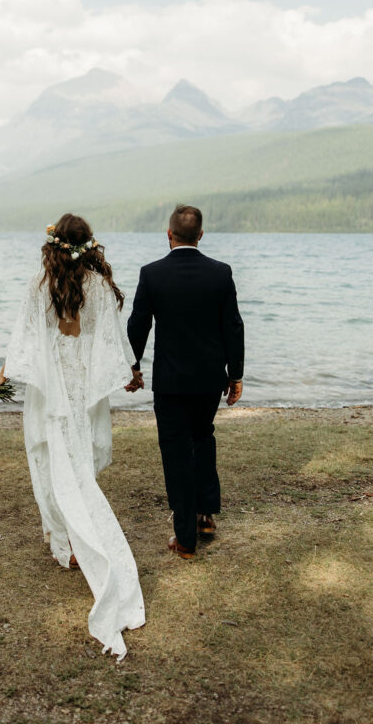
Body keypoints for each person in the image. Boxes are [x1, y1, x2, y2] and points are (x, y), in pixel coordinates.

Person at [0, 213, 145, 659]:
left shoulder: (40, 286)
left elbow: (24, 346)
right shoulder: (98, 287)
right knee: (81, 465)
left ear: (54, 244)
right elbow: (112, 342)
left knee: (50, 460)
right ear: (88, 245)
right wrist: (129, 373)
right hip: (83, 390)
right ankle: (75, 540)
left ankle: (70, 544)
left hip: (52, 391)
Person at [126, 204, 244, 559]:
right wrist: (235, 374)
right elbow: (233, 327)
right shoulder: (220, 273)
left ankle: (186, 539)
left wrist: (131, 367)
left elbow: (138, 325)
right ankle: (205, 515)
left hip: (171, 382)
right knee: (203, 438)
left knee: (177, 453)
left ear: (169, 234)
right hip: (209, 380)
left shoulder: (152, 274)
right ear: (201, 235)